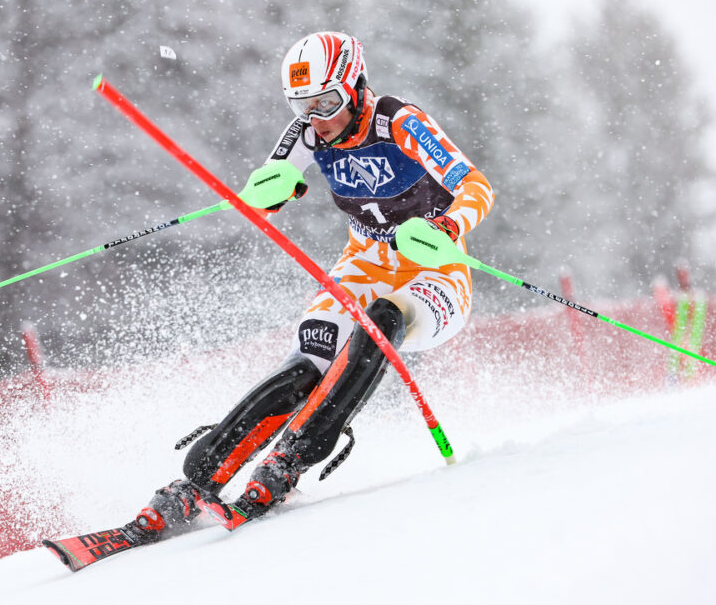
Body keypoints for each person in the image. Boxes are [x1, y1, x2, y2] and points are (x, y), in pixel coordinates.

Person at [125, 31, 494, 538]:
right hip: (364, 260)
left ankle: (288, 463)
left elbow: (476, 185)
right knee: (311, 359)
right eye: (304, 104)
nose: (319, 117)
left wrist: (447, 227)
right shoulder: (308, 131)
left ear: (356, 86)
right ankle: (198, 479)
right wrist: (266, 193)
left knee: (382, 320)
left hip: (433, 271)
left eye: (328, 101)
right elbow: (273, 185)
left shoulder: (397, 121)